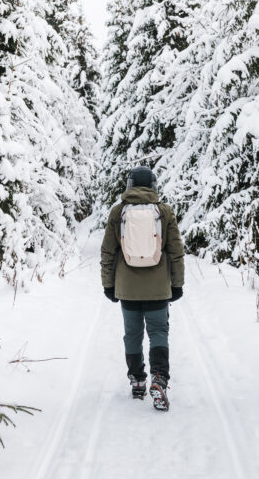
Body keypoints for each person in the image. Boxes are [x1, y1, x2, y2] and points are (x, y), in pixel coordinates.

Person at [100, 166, 185, 411]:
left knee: (132, 334)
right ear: (153, 186)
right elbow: (176, 252)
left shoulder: (118, 212)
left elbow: (108, 252)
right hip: (158, 288)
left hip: (127, 288)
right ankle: (159, 379)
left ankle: (137, 380)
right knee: (159, 332)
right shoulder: (165, 212)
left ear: (129, 185)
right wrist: (177, 284)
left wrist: (108, 284)